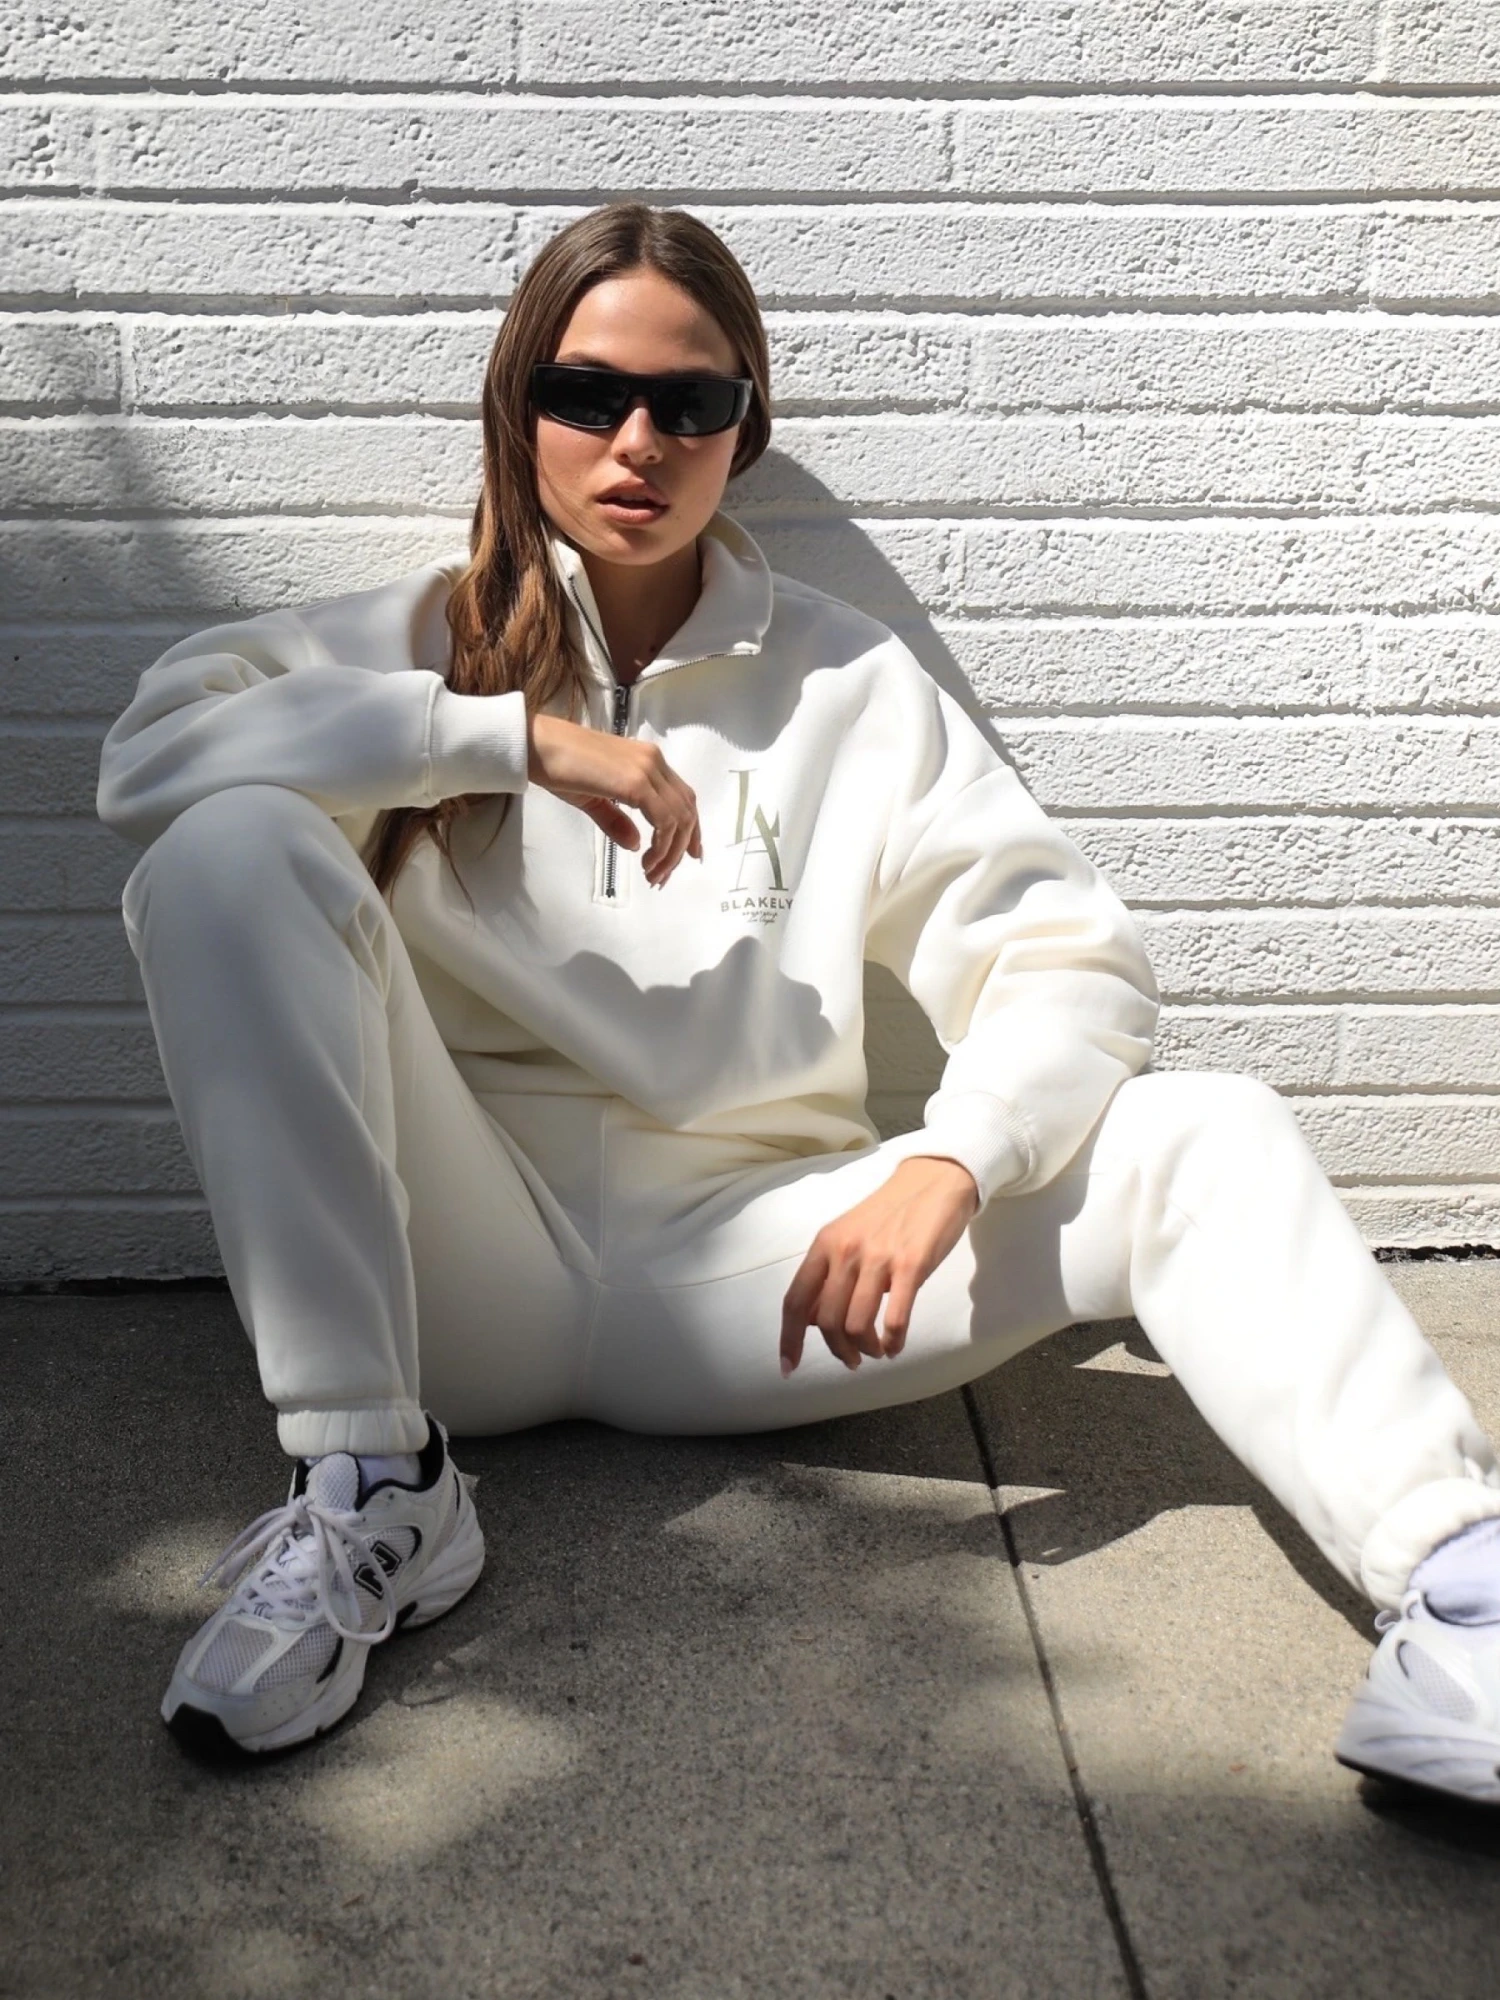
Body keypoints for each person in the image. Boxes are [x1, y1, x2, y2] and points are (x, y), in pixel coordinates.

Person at [98, 202, 1500, 1798]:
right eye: (586, 394)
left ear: (744, 429)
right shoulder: (413, 645)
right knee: (226, 848)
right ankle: (374, 1483)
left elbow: (1069, 953)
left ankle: (1465, 1599)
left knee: (1206, 1131)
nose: (638, 441)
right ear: (519, 406)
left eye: (689, 402)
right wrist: (498, 738)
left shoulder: (850, 683)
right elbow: (147, 759)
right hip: (455, 1281)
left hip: (760, 1286)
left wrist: (951, 1158)